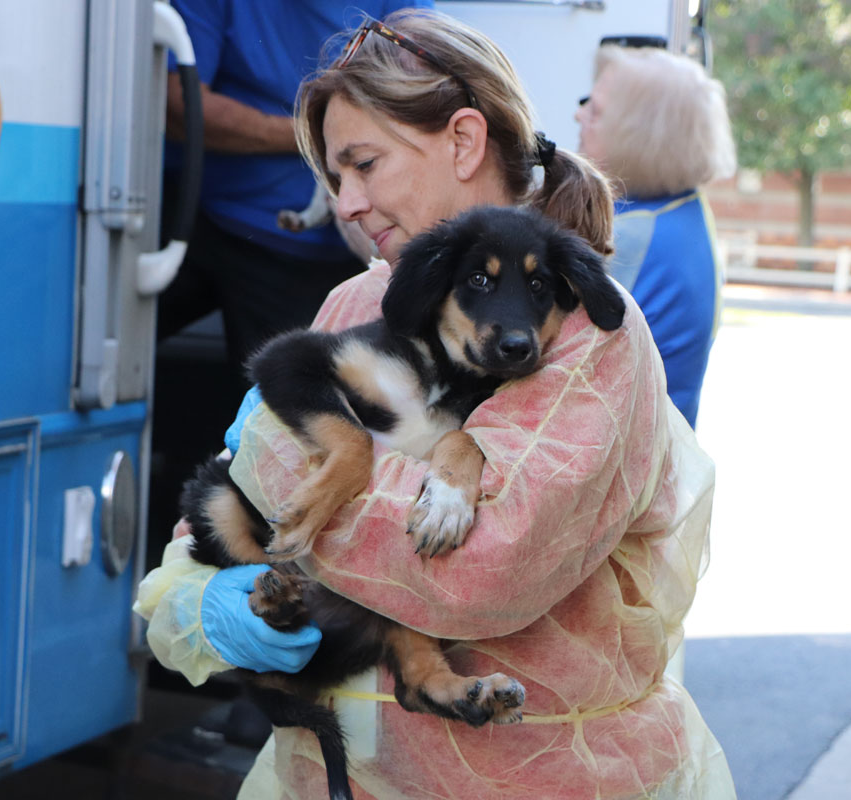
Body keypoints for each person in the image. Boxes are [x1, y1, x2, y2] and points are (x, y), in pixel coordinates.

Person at [136, 9, 736, 799]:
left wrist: (292, 466)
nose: (347, 204)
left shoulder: (578, 331)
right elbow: (217, 509)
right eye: (334, 179)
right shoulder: (356, 301)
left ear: (461, 139)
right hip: (336, 775)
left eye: (364, 164)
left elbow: (481, 572)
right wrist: (198, 596)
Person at [158, 0, 431, 383]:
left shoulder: (405, 7)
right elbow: (177, 105)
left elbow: (416, 106)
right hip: (195, 217)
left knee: (284, 408)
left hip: (309, 258)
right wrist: (313, 135)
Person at [575, 45, 737, 428]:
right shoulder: (682, 209)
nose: (578, 114)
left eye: (595, 112)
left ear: (640, 137)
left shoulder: (632, 237)